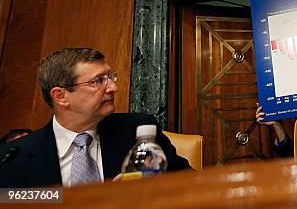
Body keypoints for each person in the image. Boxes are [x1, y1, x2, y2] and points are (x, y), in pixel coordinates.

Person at [0, 48, 191, 188]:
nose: (113, 88)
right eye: (98, 81)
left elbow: (189, 184)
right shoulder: (13, 156)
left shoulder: (139, 131)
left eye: (110, 77)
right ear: (61, 96)